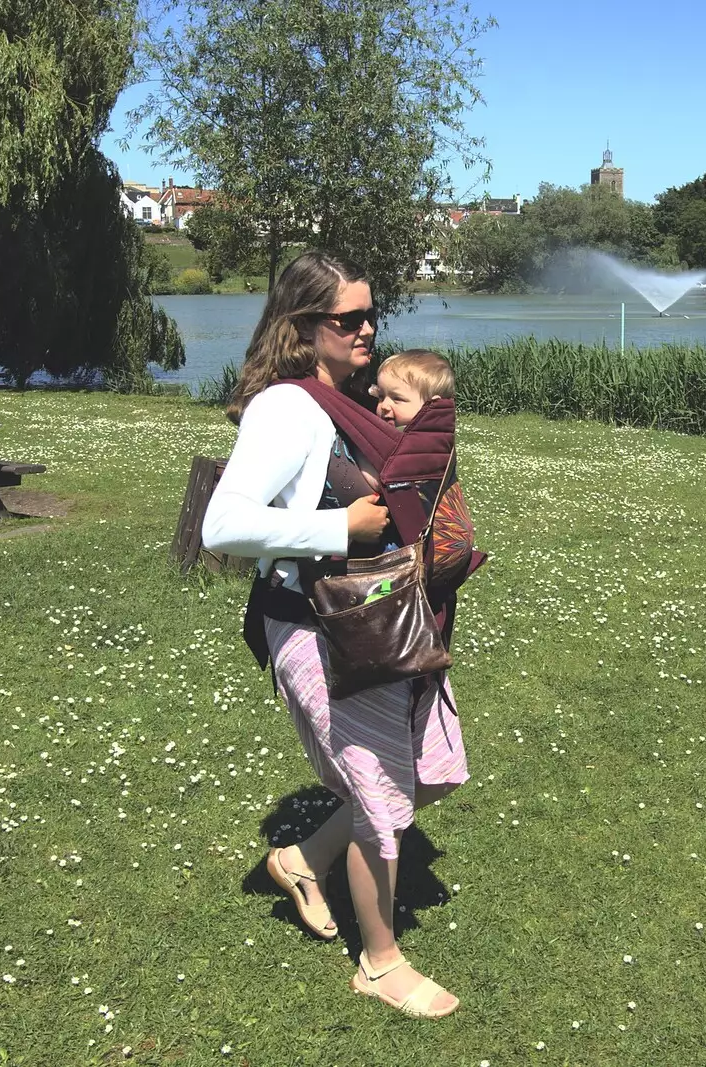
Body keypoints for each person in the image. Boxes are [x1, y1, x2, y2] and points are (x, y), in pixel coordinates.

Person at [200, 251, 466, 1020]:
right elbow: (224, 521)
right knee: (380, 790)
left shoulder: (341, 400)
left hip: (372, 621)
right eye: (348, 319)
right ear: (301, 326)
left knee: (419, 773)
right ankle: (380, 962)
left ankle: (302, 857)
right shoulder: (288, 408)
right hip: (315, 626)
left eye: (371, 315)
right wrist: (336, 524)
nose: (367, 330)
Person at [370, 349, 454, 429]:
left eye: (397, 399)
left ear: (432, 407)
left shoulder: (424, 442)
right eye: (381, 397)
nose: (384, 406)